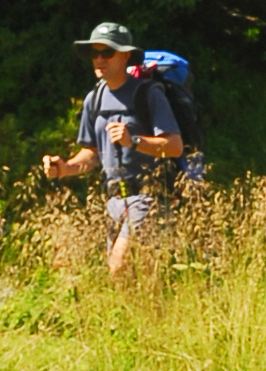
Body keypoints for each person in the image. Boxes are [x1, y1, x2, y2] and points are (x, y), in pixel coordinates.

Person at [41, 21, 183, 277]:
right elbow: (92, 154)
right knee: (130, 279)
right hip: (114, 201)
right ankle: (148, 316)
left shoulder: (148, 94)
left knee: (119, 268)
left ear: (125, 55)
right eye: (94, 53)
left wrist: (135, 141)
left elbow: (175, 146)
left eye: (107, 52)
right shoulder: (93, 99)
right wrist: (64, 168)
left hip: (148, 197)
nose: (99, 59)